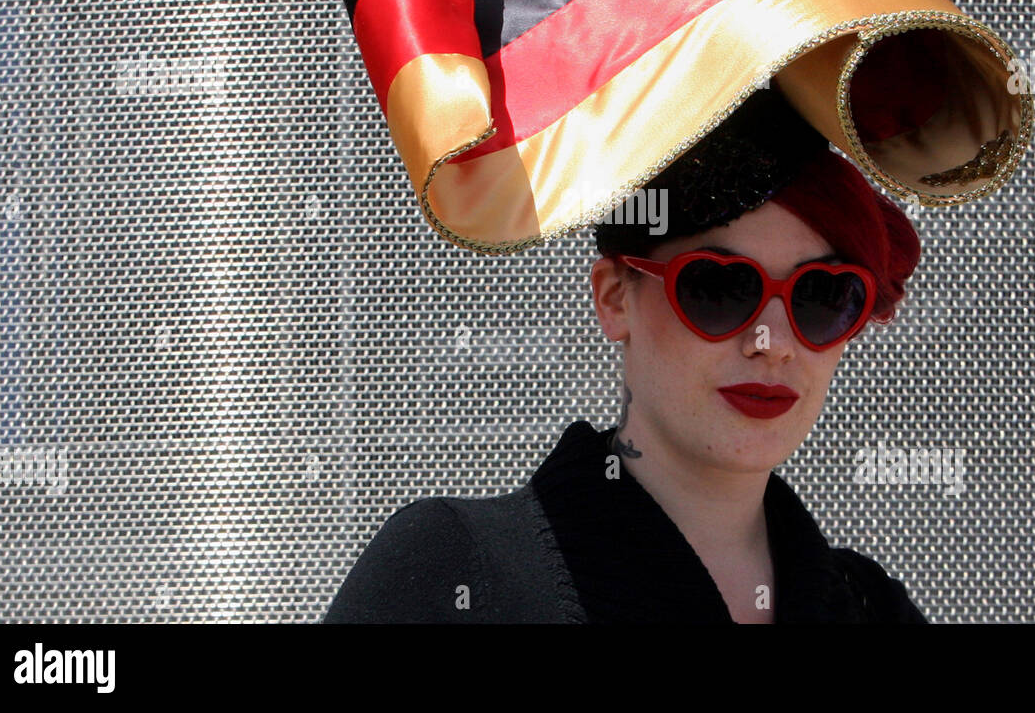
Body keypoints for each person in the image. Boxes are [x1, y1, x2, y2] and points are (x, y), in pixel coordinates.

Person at [322, 87, 928, 623]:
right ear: (615, 298)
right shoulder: (454, 571)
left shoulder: (872, 605)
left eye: (822, 297)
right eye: (719, 288)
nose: (771, 345)